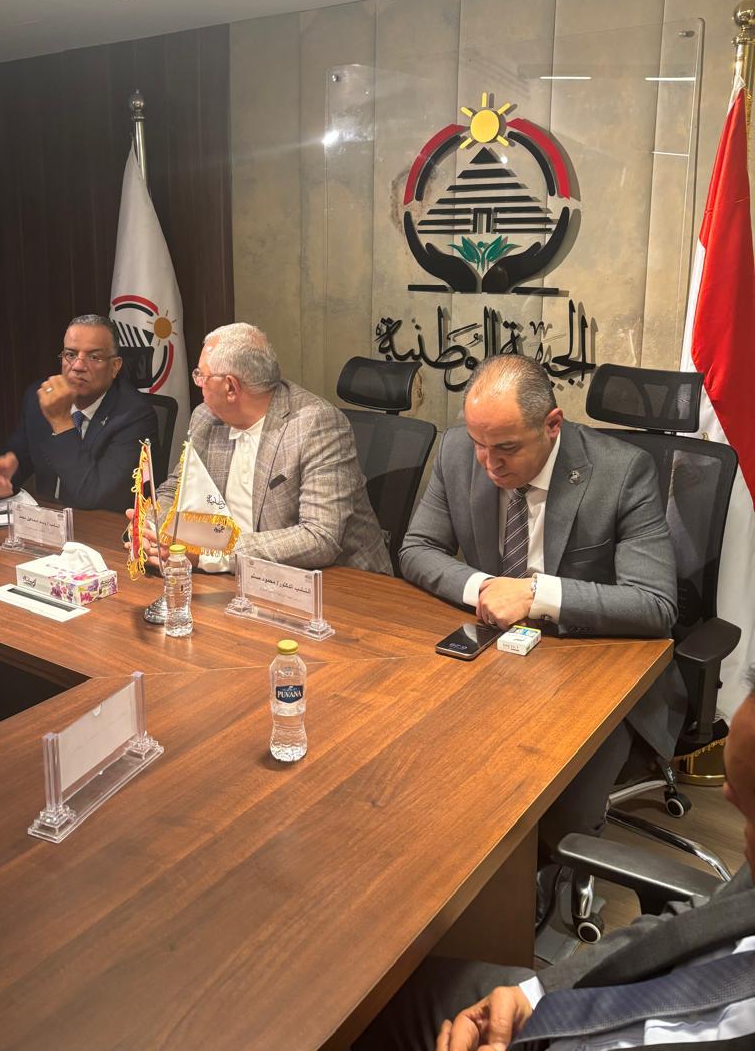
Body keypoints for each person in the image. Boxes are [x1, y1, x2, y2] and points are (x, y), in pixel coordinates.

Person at [355, 667, 755, 1050]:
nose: (741, 834)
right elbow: (695, 925)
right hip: (576, 1005)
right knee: (378, 1004)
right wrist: (536, 992)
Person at [400, 354, 684, 875]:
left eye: (506, 448)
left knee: (550, 815)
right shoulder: (458, 450)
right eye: (479, 442)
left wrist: (535, 595)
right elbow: (417, 548)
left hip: (593, 670)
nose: (488, 463)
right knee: (420, 767)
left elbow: (654, 605)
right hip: (492, 654)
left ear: (552, 425)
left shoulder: (623, 471)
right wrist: (486, 588)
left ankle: (548, 896)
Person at [137, 322, 391, 574]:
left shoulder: (315, 424)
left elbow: (319, 537)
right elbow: (174, 489)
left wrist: (209, 552)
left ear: (230, 387)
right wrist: (154, 531)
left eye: (202, 375)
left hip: (338, 581)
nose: (198, 382)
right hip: (239, 576)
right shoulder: (206, 418)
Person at [0, 313, 156, 512]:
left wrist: (62, 422)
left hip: (102, 526)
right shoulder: (41, 397)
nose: (78, 366)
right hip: (46, 521)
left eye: (94, 357)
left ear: (115, 366)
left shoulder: (135, 416)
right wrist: (5, 473)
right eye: (71, 355)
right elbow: (18, 457)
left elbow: (93, 497)